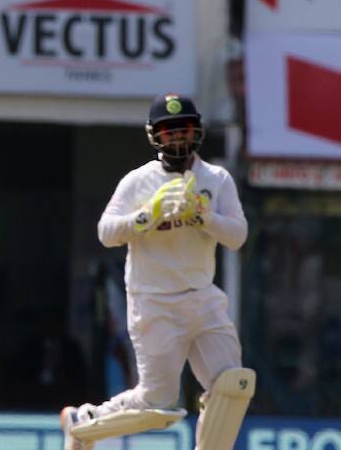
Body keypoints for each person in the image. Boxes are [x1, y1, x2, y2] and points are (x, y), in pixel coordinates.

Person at [60, 94, 253, 450]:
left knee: (233, 384)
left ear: (197, 132)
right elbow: (106, 232)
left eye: (185, 130)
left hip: (203, 297)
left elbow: (238, 236)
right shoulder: (138, 181)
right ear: (155, 136)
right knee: (157, 401)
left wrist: (204, 218)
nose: (177, 138)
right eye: (169, 132)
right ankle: (82, 422)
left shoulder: (217, 179)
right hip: (154, 302)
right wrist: (147, 216)